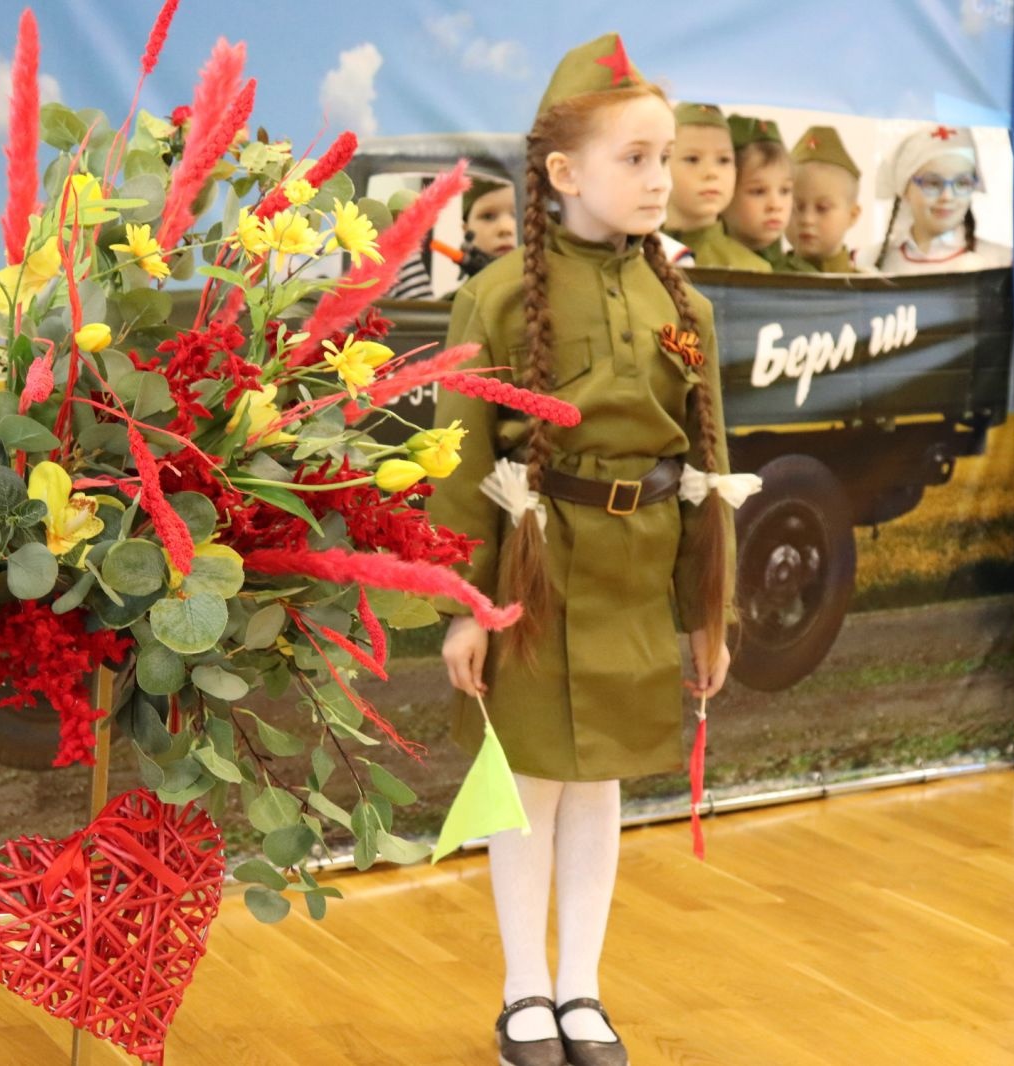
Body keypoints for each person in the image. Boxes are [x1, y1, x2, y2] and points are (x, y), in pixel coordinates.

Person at [428, 33, 737, 1066]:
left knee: (599, 775)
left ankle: (580, 989)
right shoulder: (500, 294)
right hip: (535, 569)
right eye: (636, 159)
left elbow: (707, 463)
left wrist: (705, 607)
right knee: (529, 777)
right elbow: (461, 459)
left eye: (668, 158)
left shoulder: (682, 303)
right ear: (563, 172)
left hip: (638, 570)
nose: (660, 180)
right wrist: (464, 606)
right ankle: (522, 990)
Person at [862, 123, 1012, 273]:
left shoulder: (1003, 262)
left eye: (962, 183)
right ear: (905, 189)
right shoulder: (864, 262)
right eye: (932, 183)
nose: (947, 196)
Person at [662, 102, 770, 271]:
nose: (711, 173)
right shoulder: (637, 258)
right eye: (692, 159)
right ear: (663, 165)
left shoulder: (752, 271)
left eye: (723, 160)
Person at [722, 115, 816, 273]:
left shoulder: (802, 277)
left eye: (785, 190)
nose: (775, 205)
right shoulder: (697, 263)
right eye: (758, 191)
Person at [789, 125, 865, 273]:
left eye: (822, 208)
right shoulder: (764, 281)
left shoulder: (867, 289)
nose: (807, 220)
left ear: (852, 215)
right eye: (796, 207)